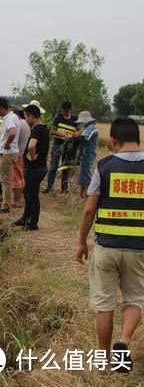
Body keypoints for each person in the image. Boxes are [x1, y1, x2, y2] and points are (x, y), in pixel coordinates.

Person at [76, 118, 144, 373]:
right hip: (139, 249)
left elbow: (89, 209)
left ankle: (104, 361)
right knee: (136, 299)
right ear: (137, 138)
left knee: (104, 305)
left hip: (106, 247)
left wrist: (81, 242)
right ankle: (124, 341)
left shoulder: (104, 166)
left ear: (113, 141)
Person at [14, 104, 49, 230]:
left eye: (26, 117)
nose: (25, 120)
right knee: (28, 194)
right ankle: (25, 218)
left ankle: (33, 223)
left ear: (31, 116)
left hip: (35, 168)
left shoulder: (37, 129)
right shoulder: (42, 127)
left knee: (32, 196)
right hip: (38, 167)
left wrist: (32, 157)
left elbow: (31, 145)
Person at [0, 97, 20, 213]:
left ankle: (5, 206)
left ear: (2, 108)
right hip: (9, 152)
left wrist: (6, 145)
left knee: (6, 180)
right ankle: (4, 202)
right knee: (5, 179)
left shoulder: (10, 118)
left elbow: (13, 133)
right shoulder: (10, 117)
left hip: (7, 153)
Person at [43, 101, 79, 193]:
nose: (64, 112)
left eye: (66, 111)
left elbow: (79, 131)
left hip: (69, 147)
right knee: (53, 167)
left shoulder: (75, 119)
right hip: (58, 145)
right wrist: (63, 134)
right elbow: (52, 130)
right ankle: (49, 187)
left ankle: (64, 188)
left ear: (70, 110)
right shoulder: (58, 118)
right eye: (63, 111)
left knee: (65, 167)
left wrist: (75, 135)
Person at [76, 111, 99, 198]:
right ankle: (82, 195)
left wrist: (75, 136)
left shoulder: (91, 128)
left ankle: (89, 197)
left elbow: (84, 138)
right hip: (86, 155)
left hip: (88, 155)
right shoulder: (88, 127)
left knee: (86, 176)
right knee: (83, 175)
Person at [13, 109, 32, 208]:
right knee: (20, 176)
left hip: (18, 154)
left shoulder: (20, 124)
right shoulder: (27, 124)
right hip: (23, 154)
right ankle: (17, 200)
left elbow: (14, 138)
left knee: (17, 178)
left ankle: (17, 201)